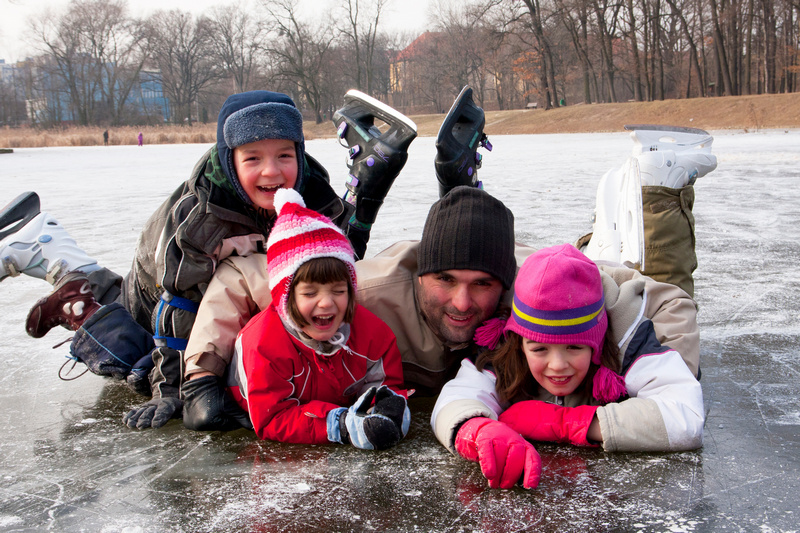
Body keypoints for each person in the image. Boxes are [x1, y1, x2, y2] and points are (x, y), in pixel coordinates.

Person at [1, 89, 412, 429]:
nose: (272, 172)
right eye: (252, 158)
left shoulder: (313, 190)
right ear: (231, 159)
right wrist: (172, 389)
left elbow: (337, 263)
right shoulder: (200, 217)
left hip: (225, 295)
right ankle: (76, 297)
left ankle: (49, 246)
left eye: (285, 155)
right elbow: (176, 305)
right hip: (160, 296)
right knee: (139, 358)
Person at [431, 243, 704, 489]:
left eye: (574, 347)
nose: (558, 365)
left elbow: (686, 414)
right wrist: (477, 428)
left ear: (596, 341)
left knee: (686, 359)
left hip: (659, 304)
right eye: (539, 349)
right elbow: (458, 395)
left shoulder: (630, 340)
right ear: (519, 342)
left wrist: (565, 423)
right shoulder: (504, 344)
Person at [229, 188, 409, 448]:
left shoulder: (373, 334)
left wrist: (388, 410)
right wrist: (340, 425)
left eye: (338, 290)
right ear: (286, 296)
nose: (326, 302)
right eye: (310, 292)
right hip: (268, 410)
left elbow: (389, 386)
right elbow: (272, 418)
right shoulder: (263, 344)